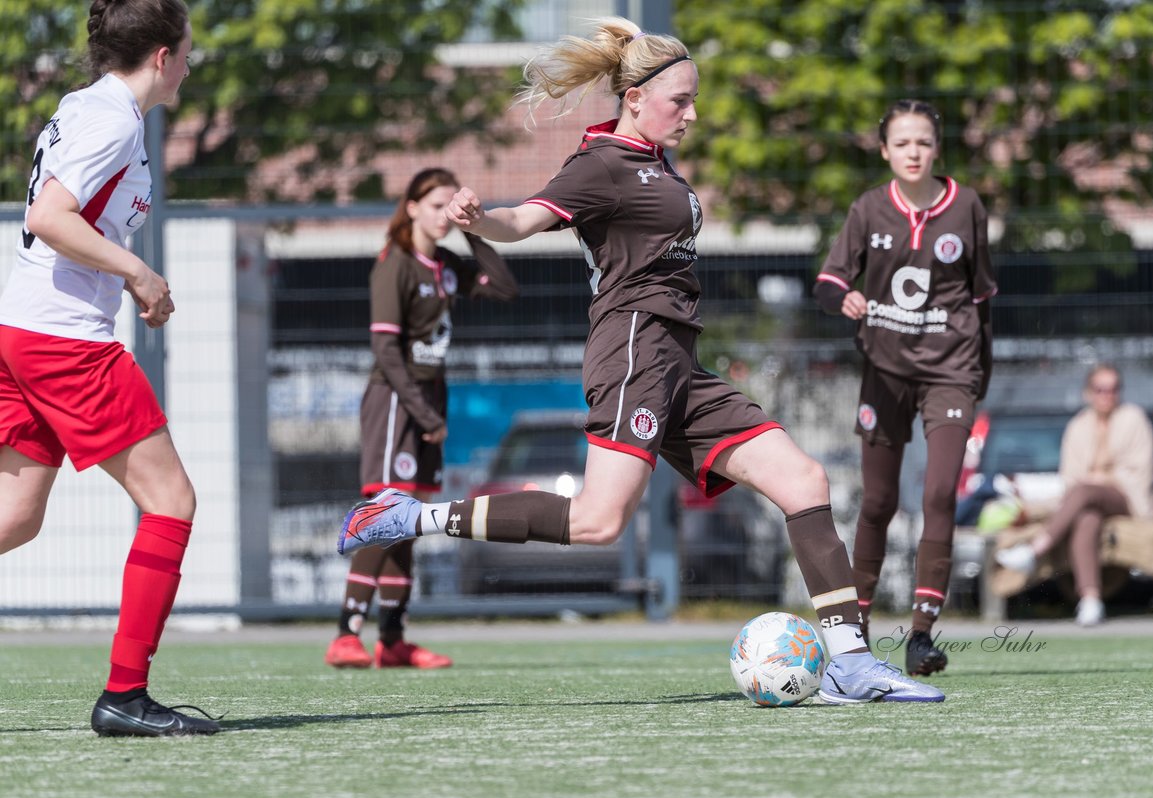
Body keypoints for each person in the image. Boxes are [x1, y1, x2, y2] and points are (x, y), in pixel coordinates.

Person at [337, 17, 943, 703]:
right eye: (678, 100)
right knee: (598, 521)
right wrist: (482, 221)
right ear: (635, 98)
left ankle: (851, 663)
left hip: (681, 359)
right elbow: (525, 221)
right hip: (633, 350)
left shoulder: (658, 163)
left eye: (693, 100)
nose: (691, 113)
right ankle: (408, 515)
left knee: (803, 481)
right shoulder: (599, 165)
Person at [0, 0, 217, 735]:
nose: (191, 64)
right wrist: (140, 274)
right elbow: (48, 218)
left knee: (14, 518)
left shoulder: (85, 104)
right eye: (188, 52)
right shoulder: (113, 118)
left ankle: (126, 694)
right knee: (172, 501)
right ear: (162, 55)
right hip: (63, 344)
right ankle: (125, 696)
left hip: (24, 332)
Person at [813, 99, 997, 677]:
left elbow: (981, 296)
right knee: (878, 502)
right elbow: (826, 281)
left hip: (951, 369)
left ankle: (921, 635)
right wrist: (843, 297)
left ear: (936, 147)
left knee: (940, 493)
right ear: (885, 150)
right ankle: (858, 630)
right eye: (902, 143)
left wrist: (978, 375)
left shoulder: (966, 205)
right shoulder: (869, 209)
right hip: (885, 371)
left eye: (923, 142)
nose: (913, 152)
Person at [325, 168, 518, 669]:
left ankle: (392, 638)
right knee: (386, 512)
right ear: (411, 206)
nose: (442, 215)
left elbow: (502, 286)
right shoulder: (395, 264)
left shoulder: (447, 264)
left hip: (430, 397)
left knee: (408, 521)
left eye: (449, 206)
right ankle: (346, 634)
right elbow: (386, 351)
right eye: (435, 205)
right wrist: (423, 412)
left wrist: (477, 227)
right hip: (395, 401)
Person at [995, 364, 1153, 626]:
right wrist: (1094, 481)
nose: (1108, 395)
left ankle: (1034, 551)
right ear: (1088, 392)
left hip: (1127, 499)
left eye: (1114, 389)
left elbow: (1139, 474)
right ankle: (1091, 600)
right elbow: (1070, 479)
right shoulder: (1078, 426)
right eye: (1101, 389)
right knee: (1087, 518)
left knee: (1084, 492)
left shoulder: (1134, 418)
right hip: (1087, 502)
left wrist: (1101, 479)